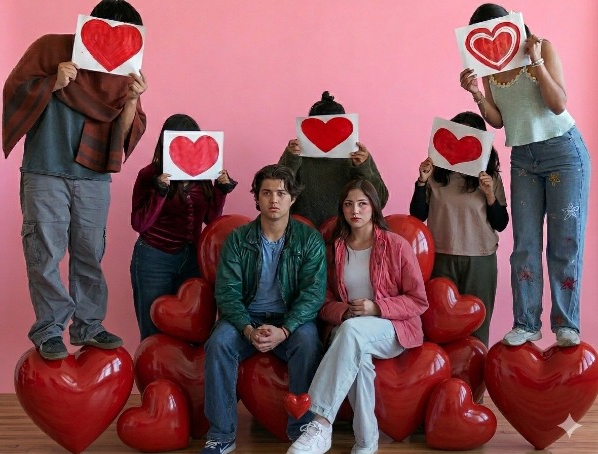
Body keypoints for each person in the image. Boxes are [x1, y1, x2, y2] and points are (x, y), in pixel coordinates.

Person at [2, 0, 147, 360]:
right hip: (45, 169)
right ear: (91, 26)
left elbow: (124, 134)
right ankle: (50, 330)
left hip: (93, 178)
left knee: (90, 254)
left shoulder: (124, 69)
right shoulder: (50, 48)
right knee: (44, 253)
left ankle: (89, 326)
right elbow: (13, 91)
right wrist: (53, 82)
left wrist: (132, 101)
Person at [459, 3, 591, 347]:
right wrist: (476, 93)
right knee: (524, 245)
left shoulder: (542, 47)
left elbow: (558, 104)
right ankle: (527, 323)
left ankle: (566, 325)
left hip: (563, 153)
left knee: (565, 242)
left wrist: (536, 62)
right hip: (523, 157)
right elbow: (499, 120)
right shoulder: (490, 69)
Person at [287, 179, 428, 454]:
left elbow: (418, 300)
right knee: (358, 359)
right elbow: (322, 301)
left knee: (352, 332)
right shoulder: (333, 249)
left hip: (392, 329)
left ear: (374, 207)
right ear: (341, 208)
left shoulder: (396, 245)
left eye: (362, 204)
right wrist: (344, 311)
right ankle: (366, 442)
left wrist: (377, 308)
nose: (355, 210)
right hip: (348, 329)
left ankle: (320, 423)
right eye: (349, 204)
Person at [201, 164, 327, 454]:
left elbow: (313, 294)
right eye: (266, 193)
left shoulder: (309, 240)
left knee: (308, 343)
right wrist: (248, 329)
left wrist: (285, 330)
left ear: (293, 198)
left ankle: (302, 431)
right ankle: (221, 435)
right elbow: (227, 293)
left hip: (291, 319)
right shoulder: (238, 239)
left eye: (281, 193)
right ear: (257, 198)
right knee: (218, 343)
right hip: (246, 317)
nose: (274, 199)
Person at [130, 114, 237, 340]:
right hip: (154, 258)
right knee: (152, 326)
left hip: (192, 258)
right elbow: (140, 224)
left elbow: (211, 218)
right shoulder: (149, 175)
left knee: (193, 326)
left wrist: (220, 190)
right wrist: (160, 193)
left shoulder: (202, 175)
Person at [409, 111, 509, 347]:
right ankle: (441, 370)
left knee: (478, 324)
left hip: (480, 259)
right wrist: (421, 181)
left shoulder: (490, 178)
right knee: (438, 325)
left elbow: (501, 223)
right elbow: (418, 215)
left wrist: (490, 195)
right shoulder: (435, 174)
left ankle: (475, 371)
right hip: (440, 257)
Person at [279, 91, 389, 227]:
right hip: (302, 231)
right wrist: (292, 159)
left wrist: (363, 167)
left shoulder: (357, 155)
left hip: (347, 231)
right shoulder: (296, 152)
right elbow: (277, 194)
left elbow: (380, 200)